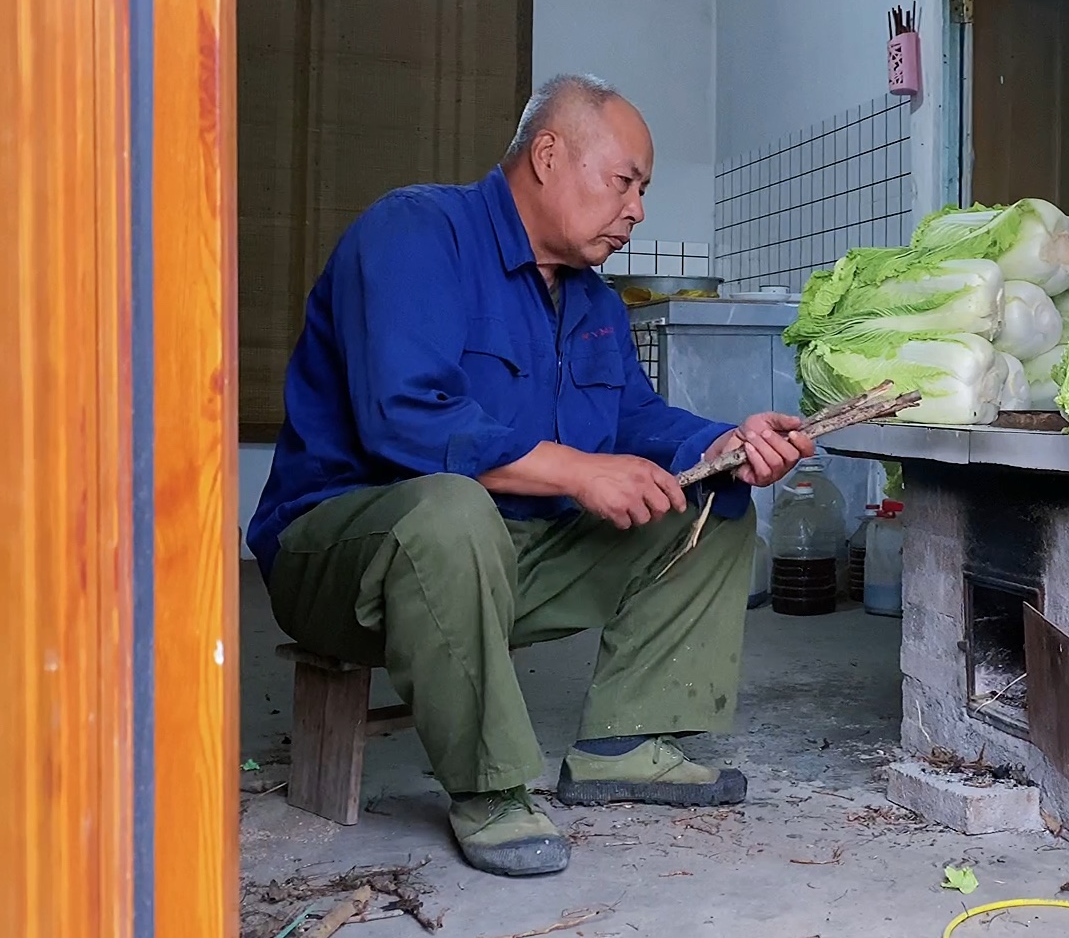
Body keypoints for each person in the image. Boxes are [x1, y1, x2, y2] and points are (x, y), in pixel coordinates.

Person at [246, 74, 814, 877]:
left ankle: (627, 741)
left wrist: (728, 440)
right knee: (453, 509)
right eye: (626, 182)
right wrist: (577, 471)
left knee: (710, 504)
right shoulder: (414, 233)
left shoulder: (595, 303)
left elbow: (633, 423)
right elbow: (401, 418)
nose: (638, 210)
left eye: (643, 190)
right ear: (548, 155)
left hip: (504, 554)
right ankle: (491, 787)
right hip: (344, 552)